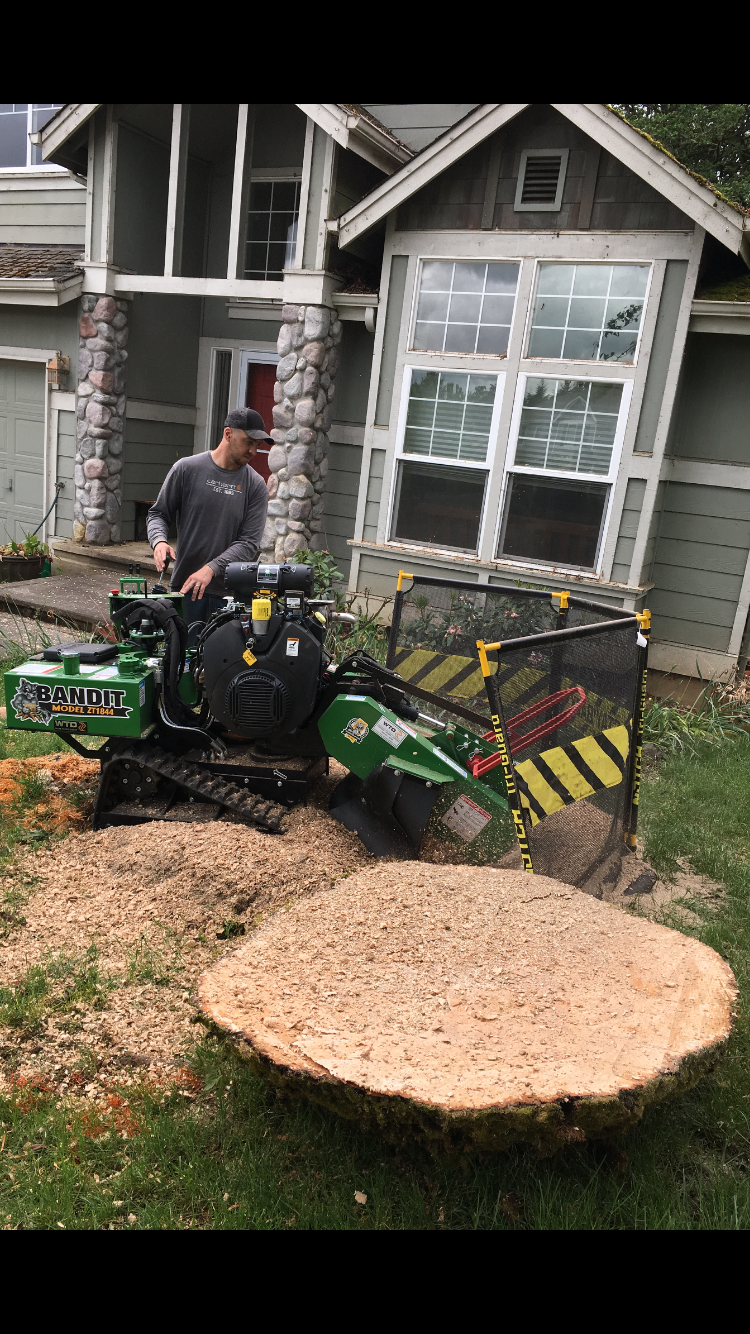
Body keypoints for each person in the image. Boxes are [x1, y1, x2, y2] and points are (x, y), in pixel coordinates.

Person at [147, 408, 271, 642]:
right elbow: (158, 514)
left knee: (221, 672)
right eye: (249, 442)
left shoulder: (255, 486)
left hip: (230, 598)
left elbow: (249, 544)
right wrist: (159, 541)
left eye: (257, 444)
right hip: (186, 590)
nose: (254, 451)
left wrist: (211, 568)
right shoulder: (187, 469)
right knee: (181, 667)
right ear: (228, 434)